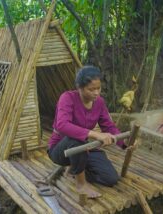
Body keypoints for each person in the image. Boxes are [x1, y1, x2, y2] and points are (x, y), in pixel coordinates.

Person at [47, 65, 127, 198]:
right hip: (60, 150)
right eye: (91, 89)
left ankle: (75, 168)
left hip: (85, 148)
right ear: (80, 87)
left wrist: (125, 144)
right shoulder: (67, 98)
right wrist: (96, 134)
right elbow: (62, 125)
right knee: (75, 139)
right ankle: (81, 184)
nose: (96, 93)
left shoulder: (99, 102)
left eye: (98, 88)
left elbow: (109, 126)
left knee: (111, 178)